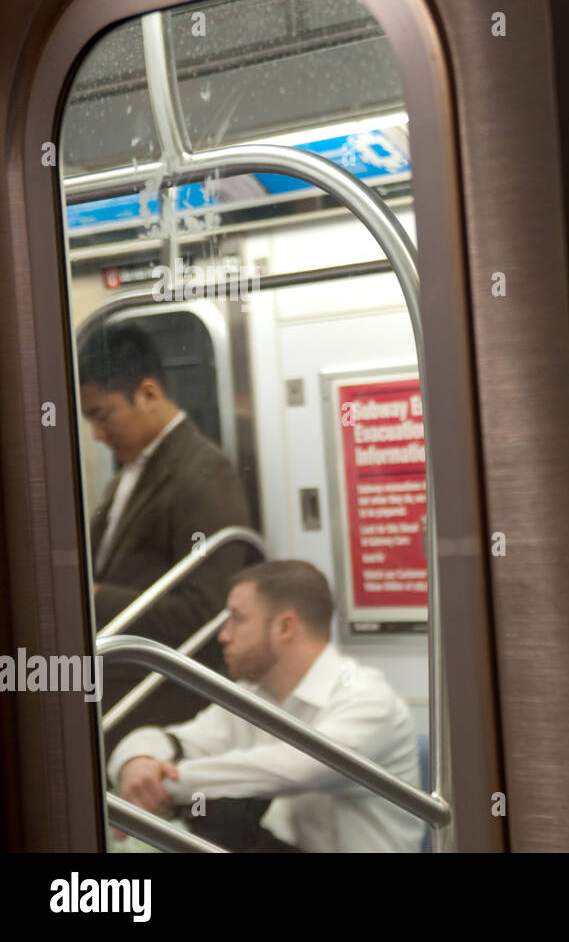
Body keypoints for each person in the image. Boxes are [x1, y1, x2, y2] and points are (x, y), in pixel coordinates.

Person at [106, 560, 425, 853]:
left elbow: (297, 768)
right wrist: (137, 761)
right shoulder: (255, 694)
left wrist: (163, 785)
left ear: (285, 627)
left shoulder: (366, 698)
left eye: (236, 619)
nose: (223, 636)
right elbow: (175, 739)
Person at [78, 323, 257, 751]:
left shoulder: (201, 475)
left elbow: (205, 611)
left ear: (149, 393)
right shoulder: (129, 476)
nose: (98, 435)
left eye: (103, 416)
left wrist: (94, 595)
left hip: (161, 698)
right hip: (119, 684)